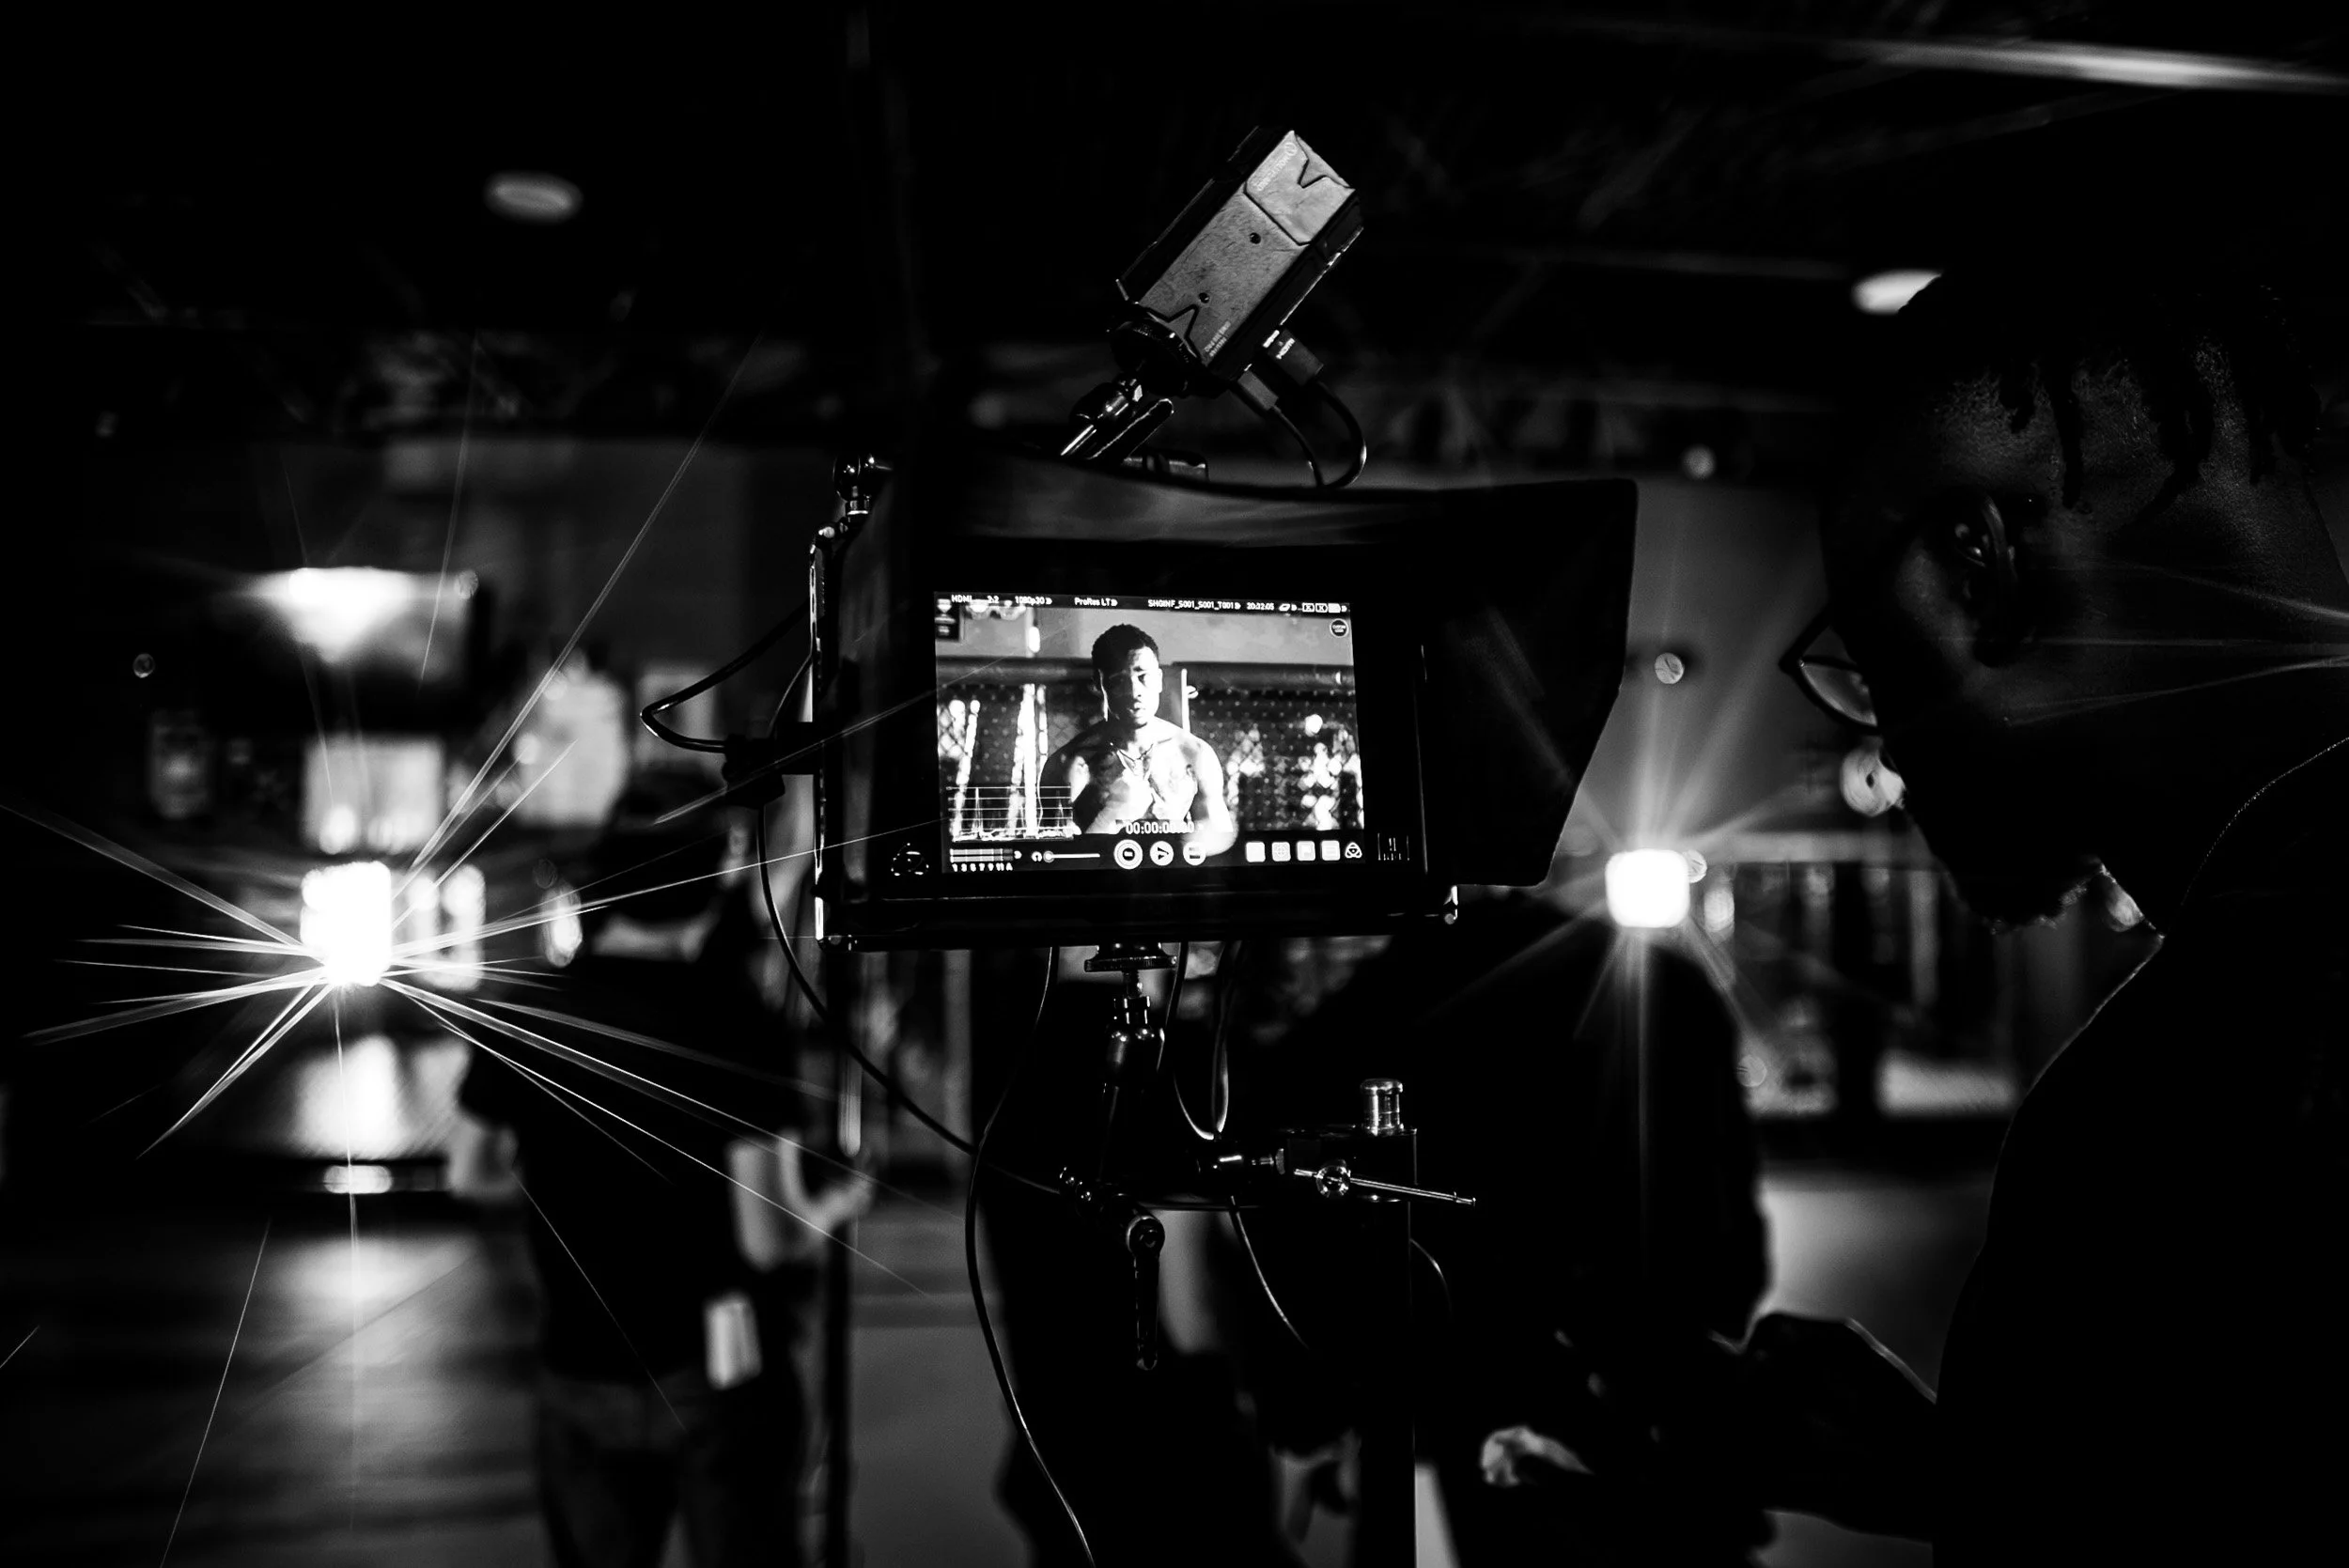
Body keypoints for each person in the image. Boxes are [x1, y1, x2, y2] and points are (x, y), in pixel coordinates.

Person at [1536, 262, 2346, 1561]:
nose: (1888, 747)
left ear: (1980, 569)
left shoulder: (2161, 1105)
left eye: (1869, 659)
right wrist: (1954, 1473)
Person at [447, 772, 869, 1568]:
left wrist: (569, 1178)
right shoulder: (735, 1021)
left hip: (577, 1365)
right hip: (713, 1371)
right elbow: (770, 1237)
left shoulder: (526, 1007)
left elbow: (470, 1173)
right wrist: (839, 1203)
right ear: (710, 886)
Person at [1040, 624, 1237, 856]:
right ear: (1099, 684)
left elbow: (1219, 839)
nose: (1134, 692)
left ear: (1159, 680)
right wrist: (1110, 818)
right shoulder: (1072, 764)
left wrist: (1182, 844)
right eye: (1119, 681)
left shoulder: (1194, 753)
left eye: (1144, 677)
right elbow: (1054, 857)